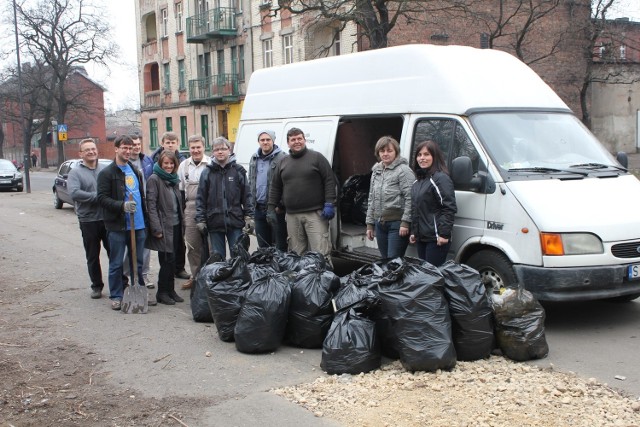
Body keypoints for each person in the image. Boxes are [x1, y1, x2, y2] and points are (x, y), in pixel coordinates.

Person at [268, 127, 336, 264]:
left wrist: (330, 203)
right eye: (293, 140)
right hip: (292, 216)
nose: (297, 142)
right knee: (296, 254)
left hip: (316, 214)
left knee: (321, 253)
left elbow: (329, 180)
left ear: (305, 140)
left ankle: (325, 282)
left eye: (299, 138)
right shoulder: (283, 162)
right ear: (288, 143)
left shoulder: (317, 158)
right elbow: (275, 186)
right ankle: (301, 283)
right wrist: (271, 208)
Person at [97, 135, 148, 311]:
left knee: (137, 262)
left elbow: (141, 197)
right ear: (116, 148)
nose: (127, 151)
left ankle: (138, 291)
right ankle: (117, 295)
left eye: (130, 147)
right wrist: (122, 206)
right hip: (118, 225)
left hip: (138, 224)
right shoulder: (107, 173)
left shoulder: (134, 170)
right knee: (116, 262)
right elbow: (102, 198)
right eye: (124, 148)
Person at [195, 136, 253, 259]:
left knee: (238, 256)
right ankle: (221, 278)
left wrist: (249, 217)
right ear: (213, 152)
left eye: (223, 148)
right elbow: (201, 198)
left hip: (235, 221)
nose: (220, 152)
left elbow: (247, 196)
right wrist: (200, 219)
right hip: (214, 222)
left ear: (229, 150)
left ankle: (238, 278)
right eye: (216, 149)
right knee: (217, 258)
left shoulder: (238, 171)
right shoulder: (207, 173)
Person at [67, 138, 110, 299]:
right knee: (92, 255)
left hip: (106, 219)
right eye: (87, 150)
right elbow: (75, 193)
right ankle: (97, 286)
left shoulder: (104, 170)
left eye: (93, 149)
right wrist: (98, 197)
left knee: (114, 253)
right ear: (81, 154)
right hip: (88, 220)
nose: (91, 152)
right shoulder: (75, 172)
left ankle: (118, 283)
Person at [145, 151, 185, 305]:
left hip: (175, 225)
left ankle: (170, 290)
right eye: (166, 163)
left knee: (173, 260)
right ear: (160, 164)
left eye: (171, 163)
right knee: (166, 260)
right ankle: (162, 292)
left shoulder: (174, 179)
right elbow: (151, 205)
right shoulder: (154, 179)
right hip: (163, 227)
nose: (168, 166)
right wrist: (157, 229)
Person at [365, 136, 415, 259]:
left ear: (396, 152)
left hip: (397, 224)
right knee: (385, 261)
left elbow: (411, 198)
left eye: (389, 151)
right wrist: (370, 224)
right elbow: (372, 198)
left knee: (394, 262)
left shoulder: (403, 170)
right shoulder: (376, 171)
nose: (385, 154)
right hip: (380, 224)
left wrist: (405, 222)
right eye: (382, 151)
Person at [409, 140, 457, 267]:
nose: (422, 158)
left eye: (426, 154)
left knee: (433, 276)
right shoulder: (417, 182)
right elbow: (415, 209)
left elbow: (448, 207)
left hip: (436, 239)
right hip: (422, 238)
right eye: (419, 155)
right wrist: (414, 232)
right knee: (426, 276)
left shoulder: (441, 178)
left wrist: (443, 234)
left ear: (434, 157)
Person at [150, 131, 189, 279]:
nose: (170, 144)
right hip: (164, 218)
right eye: (168, 142)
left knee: (178, 247)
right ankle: (164, 289)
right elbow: (152, 202)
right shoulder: (154, 171)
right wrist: (156, 226)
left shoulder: (180, 166)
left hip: (177, 214)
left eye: (173, 142)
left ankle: (177, 273)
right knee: (167, 256)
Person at [176, 134, 211, 289]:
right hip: (190, 208)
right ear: (189, 148)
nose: (196, 150)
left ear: (204, 147)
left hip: (210, 207)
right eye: (193, 147)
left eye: (198, 147)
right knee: (192, 245)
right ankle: (196, 277)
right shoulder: (183, 165)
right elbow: (180, 190)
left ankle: (210, 278)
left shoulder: (211, 163)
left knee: (210, 245)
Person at [248, 130, 287, 251]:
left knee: (280, 246)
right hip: (258, 208)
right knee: (263, 246)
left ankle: (279, 269)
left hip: (276, 209)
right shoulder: (254, 158)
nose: (265, 142)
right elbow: (251, 182)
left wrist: (280, 204)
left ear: (273, 141)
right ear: (258, 142)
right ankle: (266, 269)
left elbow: (286, 184)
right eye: (262, 140)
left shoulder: (283, 158)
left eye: (268, 139)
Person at [124, 133, 154, 288]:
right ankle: (127, 276)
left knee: (145, 246)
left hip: (145, 207)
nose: (136, 147)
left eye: (138, 144)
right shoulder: (124, 163)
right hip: (128, 209)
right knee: (129, 247)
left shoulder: (147, 160)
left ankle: (143, 275)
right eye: (132, 145)